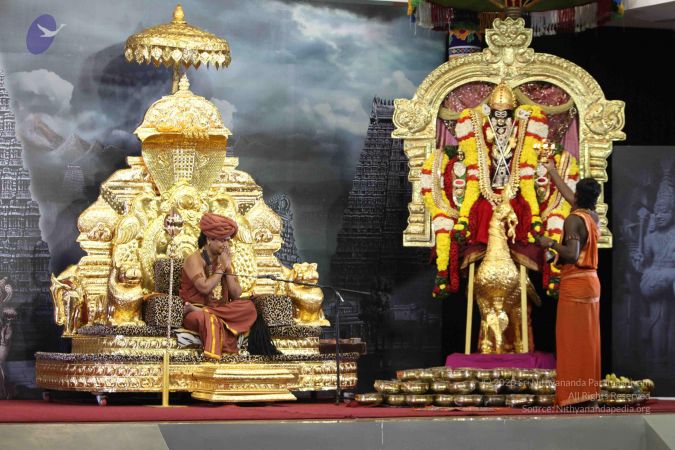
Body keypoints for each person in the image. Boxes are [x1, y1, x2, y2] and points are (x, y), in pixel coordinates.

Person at [535, 177, 602, 407]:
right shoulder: (593, 217)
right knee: (588, 341)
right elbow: (571, 199)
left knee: (571, 342)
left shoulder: (573, 220)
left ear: (577, 196)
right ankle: (588, 395)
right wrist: (552, 171)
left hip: (575, 285)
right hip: (591, 283)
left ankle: (573, 396)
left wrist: (550, 243)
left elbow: (572, 255)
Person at [180, 212, 258, 359]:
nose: (226, 245)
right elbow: (204, 288)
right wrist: (222, 267)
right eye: (222, 241)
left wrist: (228, 268)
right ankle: (213, 360)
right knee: (210, 319)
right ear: (209, 239)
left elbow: (236, 294)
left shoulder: (224, 260)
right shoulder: (194, 259)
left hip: (220, 309)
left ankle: (208, 311)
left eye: (227, 241)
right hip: (194, 313)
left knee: (249, 307)